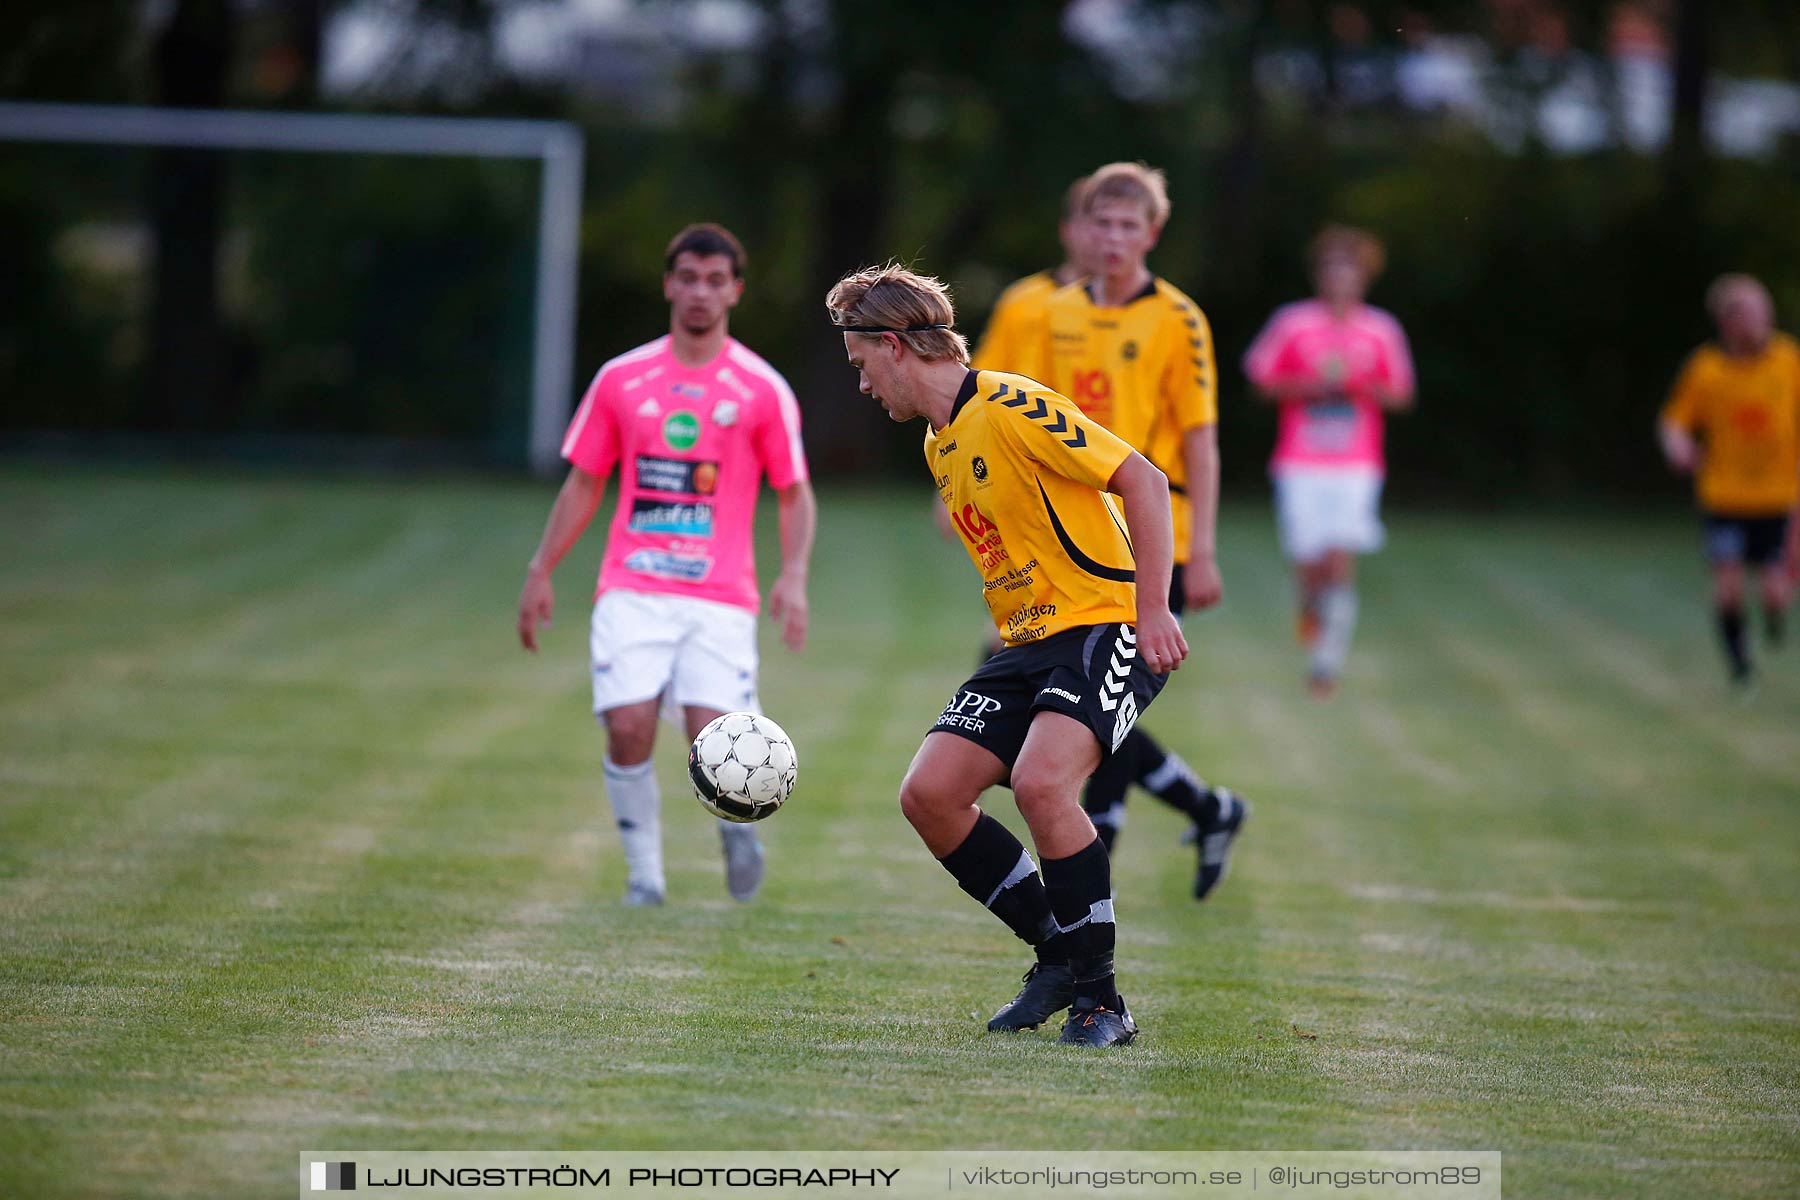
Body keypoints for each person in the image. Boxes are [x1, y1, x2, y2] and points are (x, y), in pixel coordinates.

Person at [826, 262, 1185, 1047]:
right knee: (930, 794)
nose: (860, 386)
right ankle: (1056, 953)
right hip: (1029, 643)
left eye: (860, 366)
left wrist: (1154, 610)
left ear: (893, 345)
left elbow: (1145, 481)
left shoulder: (1011, 403)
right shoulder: (939, 442)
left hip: (1108, 623)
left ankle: (1104, 1001)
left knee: (1041, 783)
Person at [518, 223, 816, 906]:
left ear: (735, 290)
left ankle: (738, 827)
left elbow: (794, 491)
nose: (700, 293)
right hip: (633, 584)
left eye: (715, 281)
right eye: (688, 278)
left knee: (714, 740)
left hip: (720, 595)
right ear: (668, 284)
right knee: (628, 724)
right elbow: (585, 480)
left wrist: (792, 576)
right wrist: (542, 568)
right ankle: (644, 878)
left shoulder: (761, 388)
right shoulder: (622, 378)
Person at [1023, 161, 1247, 900]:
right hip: (1075, 538)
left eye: (1129, 226)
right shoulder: (1057, 312)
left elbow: (1201, 438)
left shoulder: (1178, 319)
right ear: (1082, 230)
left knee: (1103, 696)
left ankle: (1098, 856)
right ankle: (1208, 810)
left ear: (1152, 233)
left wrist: (1203, 550)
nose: (1114, 238)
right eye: (1102, 224)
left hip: (1157, 535)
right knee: (1089, 698)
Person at [1243, 225, 1415, 699]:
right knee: (1309, 564)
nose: (1341, 279)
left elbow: (1401, 393)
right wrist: (1308, 387)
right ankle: (1310, 610)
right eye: (1332, 269)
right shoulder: (1293, 323)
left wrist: (1361, 387)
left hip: (1356, 462)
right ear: (1319, 275)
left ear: (1364, 277)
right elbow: (1261, 381)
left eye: (1350, 271)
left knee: (1340, 557)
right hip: (1300, 459)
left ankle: (1325, 663)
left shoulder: (1381, 329)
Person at [1657, 273, 1800, 687]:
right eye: (1749, 313)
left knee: (1775, 591)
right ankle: (1740, 667)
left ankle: (1774, 616)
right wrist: (1677, 445)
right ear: (1727, 322)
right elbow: (1674, 421)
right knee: (1729, 587)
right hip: (1725, 497)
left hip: (1778, 499)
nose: (1759, 321)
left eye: (1763, 311)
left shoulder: (1789, 362)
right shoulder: (1707, 370)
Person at [969, 175, 1095, 373]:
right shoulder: (1021, 299)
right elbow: (986, 377)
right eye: (1089, 224)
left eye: (1108, 224)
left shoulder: (1143, 307)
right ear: (1065, 230)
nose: (1100, 236)